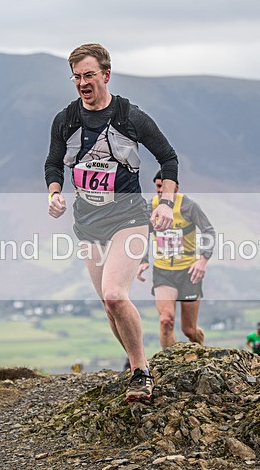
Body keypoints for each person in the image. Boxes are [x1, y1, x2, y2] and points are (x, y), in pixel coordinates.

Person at [45, 43, 179, 403]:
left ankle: (141, 372)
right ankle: (138, 366)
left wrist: (165, 203)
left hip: (129, 218)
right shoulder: (66, 120)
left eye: (89, 75)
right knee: (109, 305)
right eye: (76, 77)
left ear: (106, 74)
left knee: (115, 294)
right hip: (88, 224)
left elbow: (168, 159)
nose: (82, 83)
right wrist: (54, 193)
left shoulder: (130, 117)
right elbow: (53, 163)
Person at [137, 171, 216, 348]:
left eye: (164, 187)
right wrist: (143, 259)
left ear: (175, 188)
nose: (160, 191)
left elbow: (209, 231)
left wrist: (202, 260)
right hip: (163, 272)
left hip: (189, 272)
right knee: (166, 321)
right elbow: (142, 234)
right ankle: (169, 366)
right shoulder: (151, 207)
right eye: (158, 186)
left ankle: (200, 346)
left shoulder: (189, 206)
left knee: (189, 330)